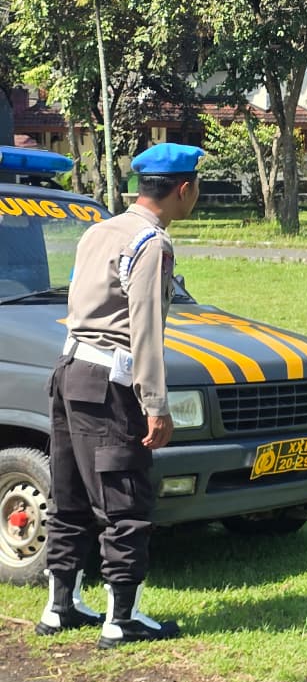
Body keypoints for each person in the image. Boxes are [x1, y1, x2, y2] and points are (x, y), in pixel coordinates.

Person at [37, 142, 203, 648]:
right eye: (196, 187)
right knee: (125, 498)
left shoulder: (99, 230)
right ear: (183, 189)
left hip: (70, 369)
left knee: (69, 495)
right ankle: (122, 618)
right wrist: (156, 404)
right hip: (110, 381)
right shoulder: (151, 243)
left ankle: (60, 606)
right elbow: (145, 329)